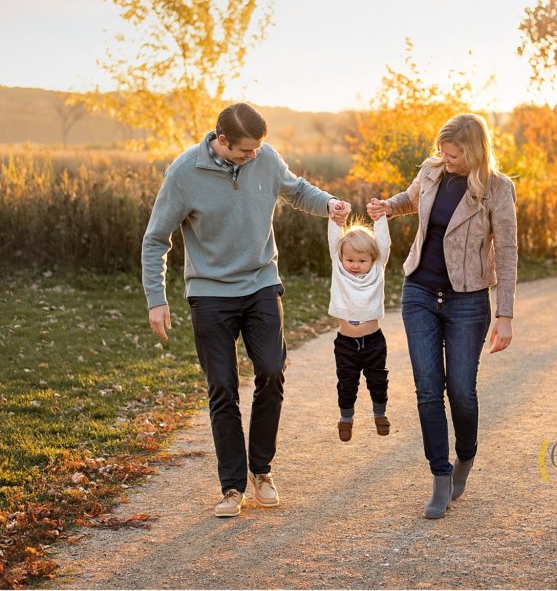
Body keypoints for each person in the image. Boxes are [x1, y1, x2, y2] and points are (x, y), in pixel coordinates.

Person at [143, 102, 350, 518]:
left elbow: (295, 190)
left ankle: (262, 472)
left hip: (260, 284)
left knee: (271, 371)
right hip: (210, 293)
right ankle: (232, 487)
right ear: (221, 141)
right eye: (245, 151)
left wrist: (329, 204)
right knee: (221, 386)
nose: (253, 156)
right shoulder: (184, 173)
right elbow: (155, 239)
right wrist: (157, 298)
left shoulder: (266, 157)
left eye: (257, 149)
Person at [367, 113, 518, 519]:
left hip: (467, 300)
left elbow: (505, 253)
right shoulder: (432, 170)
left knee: (462, 393)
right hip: (419, 291)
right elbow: (411, 199)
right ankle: (440, 474)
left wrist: (505, 315)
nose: (445, 160)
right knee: (428, 389)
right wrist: (387, 207)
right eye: (442, 153)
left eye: (453, 156)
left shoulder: (498, 190)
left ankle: (464, 457)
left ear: (474, 152)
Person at [327, 209, 392, 442]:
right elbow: (334, 241)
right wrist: (337, 219)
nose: (355, 265)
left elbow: (383, 244)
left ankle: (379, 414)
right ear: (341, 257)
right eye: (350, 260)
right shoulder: (339, 269)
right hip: (345, 343)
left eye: (362, 261)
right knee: (346, 384)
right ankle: (346, 418)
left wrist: (380, 218)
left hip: (373, 341)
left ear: (373, 260)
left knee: (378, 380)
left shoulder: (377, 270)